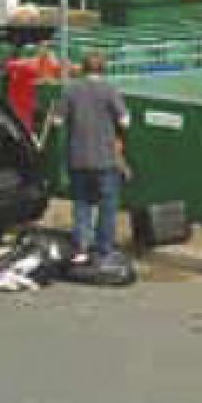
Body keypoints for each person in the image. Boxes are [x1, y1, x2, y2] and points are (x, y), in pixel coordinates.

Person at [47, 52, 130, 260]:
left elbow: (57, 122)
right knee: (107, 205)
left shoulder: (70, 90)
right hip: (105, 158)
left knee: (82, 204)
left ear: (83, 68)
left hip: (78, 157)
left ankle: (82, 247)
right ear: (103, 69)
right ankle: (104, 249)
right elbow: (125, 121)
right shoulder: (110, 90)